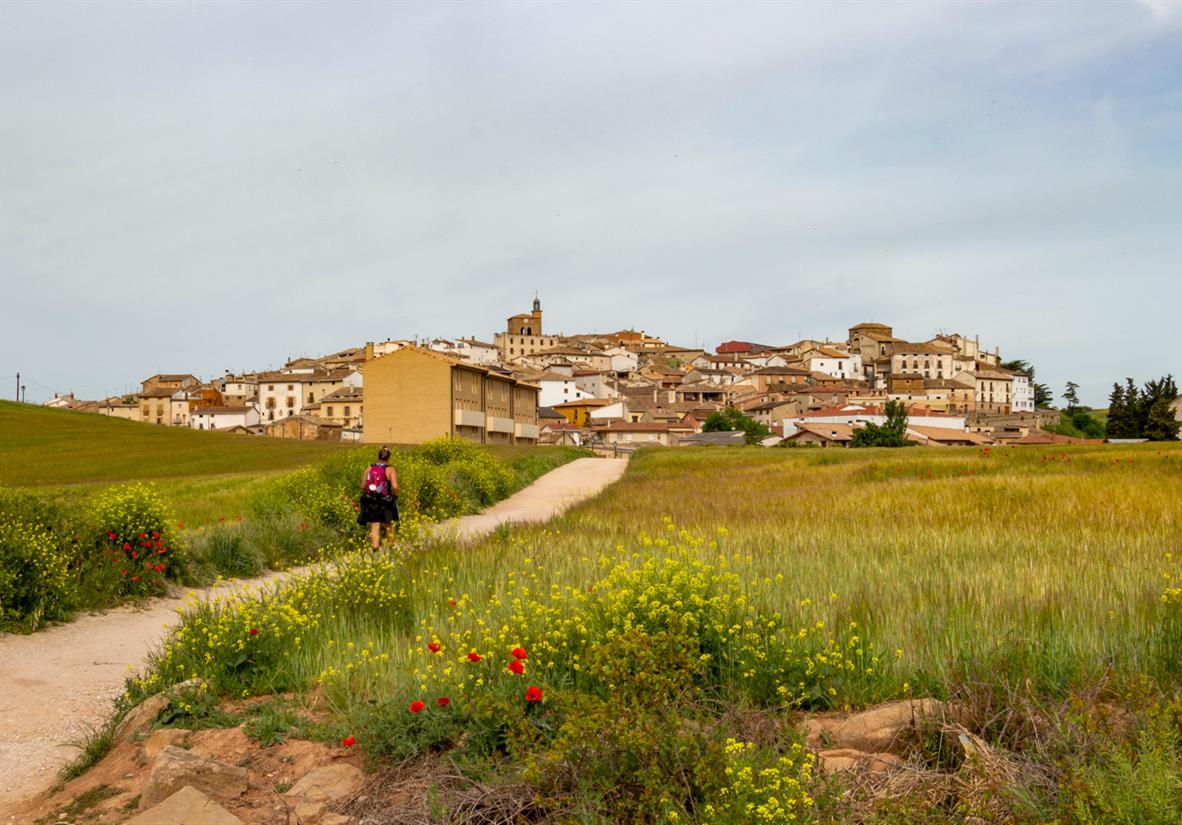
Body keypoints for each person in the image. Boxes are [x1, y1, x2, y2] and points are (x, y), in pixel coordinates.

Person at [357, 446, 399, 550]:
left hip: (371, 500)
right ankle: (391, 546)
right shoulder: (390, 469)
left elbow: (362, 486)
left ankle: (375, 548)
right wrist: (396, 495)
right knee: (388, 524)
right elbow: (395, 486)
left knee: (375, 524)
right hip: (386, 500)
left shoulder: (369, 468)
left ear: (378, 457)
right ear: (388, 458)